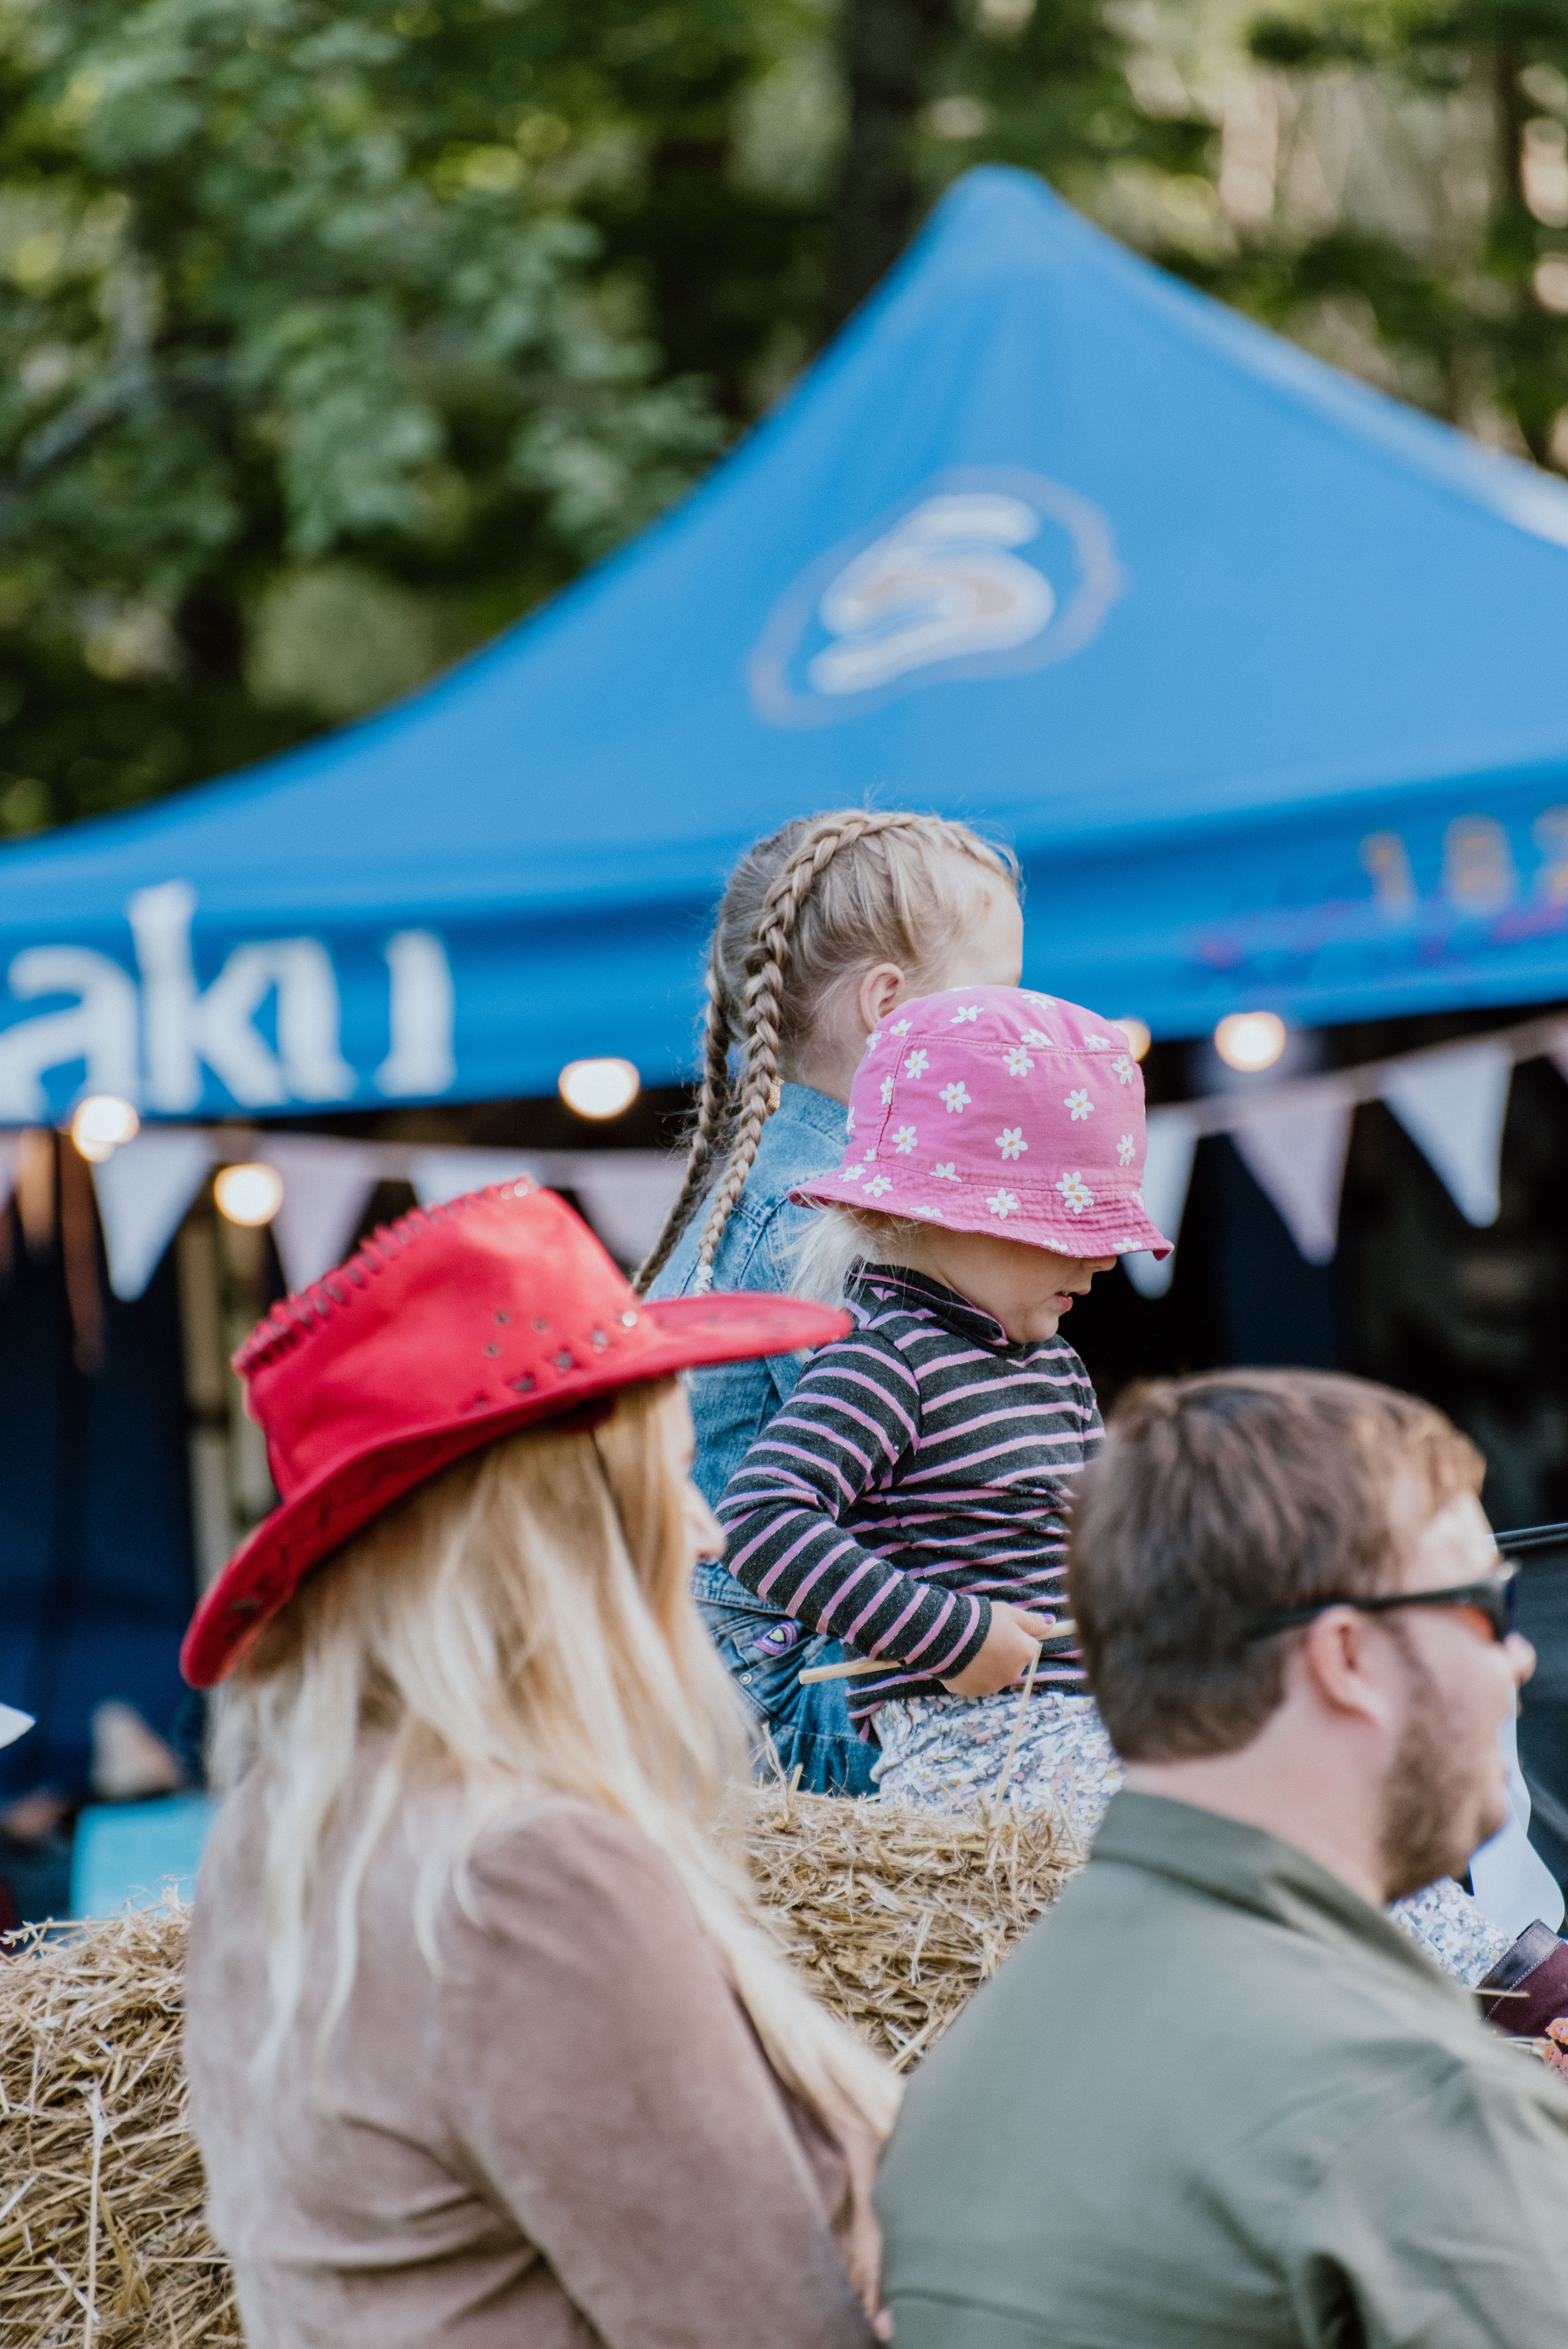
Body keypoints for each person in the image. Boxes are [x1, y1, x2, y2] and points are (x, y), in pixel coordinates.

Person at [181, 1181, 897, 2349]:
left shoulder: (279, 1827)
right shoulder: (523, 1876)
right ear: (555, 1531)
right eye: (671, 1477)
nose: (707, 1530)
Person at [876, 1369, 1568, 2349]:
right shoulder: (1412, 2104)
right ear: (1348, 1659)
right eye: (1485, 1610)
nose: (1521, 1657)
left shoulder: (961, 2071)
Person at [639, 808, 1023, 1794]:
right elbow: (928, 1488)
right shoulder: (825, 1219)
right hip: (792, 1707)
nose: (1021, 1036)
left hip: (713, 1689)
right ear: (889, 1006)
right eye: (1000, 1002)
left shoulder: (773, 1184)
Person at [717, 982, 1162, 1829]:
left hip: (1092, 1724)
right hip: (977, 1747)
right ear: (947, 1215)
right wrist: (950, 1636)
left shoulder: (1056, 1366)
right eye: (1074, 1228)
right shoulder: (889, 1357)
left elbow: (1100, 1545)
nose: (1106, 1261)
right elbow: (758, 1517)